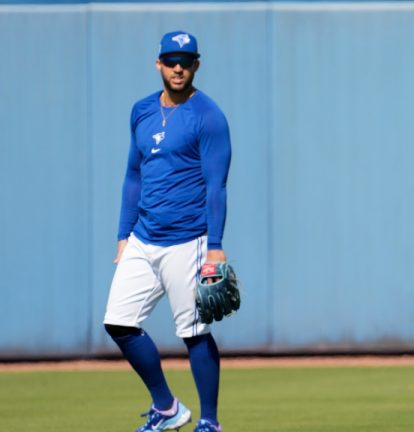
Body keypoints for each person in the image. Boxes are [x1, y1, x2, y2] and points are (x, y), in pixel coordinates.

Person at [103, 30, 231, 432]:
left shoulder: (208, 117)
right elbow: (132, 175)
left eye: (186, 60)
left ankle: (209, 421)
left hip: (188, 239)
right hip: (142, 237)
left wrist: (215, 247)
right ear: (158, 63)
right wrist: (124, 235)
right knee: (119, 323)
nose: (179, 67)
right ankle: (167, 407)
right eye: (172, 60)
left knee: (193, 332)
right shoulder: (141, 111)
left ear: (197, 65)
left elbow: (217, 185)